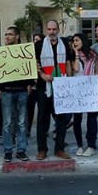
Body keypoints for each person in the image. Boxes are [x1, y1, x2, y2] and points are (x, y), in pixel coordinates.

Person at [34, 20, 77, 160]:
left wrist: (69, 82)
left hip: (61, 86)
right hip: (44, 87)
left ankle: (59, 149)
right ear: (46, 30)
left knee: (61, 119)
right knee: (43, 119)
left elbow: (68, 63)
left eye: (54, 29)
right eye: (49, 29)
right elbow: (35, 64)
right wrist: (42, 76)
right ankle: (42, 150)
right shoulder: (39, 45)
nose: (52, 32)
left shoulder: (64, 44)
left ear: (58, 30)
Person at [0, 26, 32, 163]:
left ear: (17, 36)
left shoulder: (24, 51)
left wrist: (29, 83)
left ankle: (21, 150)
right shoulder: (1, 52)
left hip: (22, 90)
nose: (7, 37)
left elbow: (29, 67)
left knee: (22, 122)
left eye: (10, 34)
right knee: (7, 122)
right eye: (6, 34)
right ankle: (7, 150)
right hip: (6, 90)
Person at [69, 33, 98, 157]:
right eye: (73, 41)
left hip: (90, 90)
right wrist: (76, 53)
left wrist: (97, 77)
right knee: (77, 119)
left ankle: (91, 145)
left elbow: (97, 71)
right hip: (77, 91)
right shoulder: (71, 55)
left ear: (83, 40)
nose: (75, 43)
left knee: (92, 118)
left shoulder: (93, 55)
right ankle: (80, 145)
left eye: (77, 40)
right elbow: (75, 69)